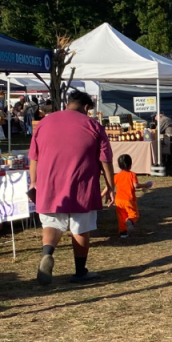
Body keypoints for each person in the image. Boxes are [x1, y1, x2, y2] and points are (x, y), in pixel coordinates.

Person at [28, 89, 115, 284]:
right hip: (81, 183)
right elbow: (105, 159)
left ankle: (47, 254)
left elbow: (33, 156)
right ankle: (80, 271)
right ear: (86, 107)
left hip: (48, 183)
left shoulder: (44, 123)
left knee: (51, 223)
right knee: (80, 227)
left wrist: (33, 182)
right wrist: (111, 185)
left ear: (67, 103)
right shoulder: (93, 125)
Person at [114, 153, 153, 238]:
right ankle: (130, 221)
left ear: (119, 165)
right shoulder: (132, 174)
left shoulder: (116, 176)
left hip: (118, 199)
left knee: (121, 216)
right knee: (134, 214)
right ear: (130, 164)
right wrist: (145, 185)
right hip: (129, 199)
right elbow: (136, 185)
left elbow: (111, 186)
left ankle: (123, 233)